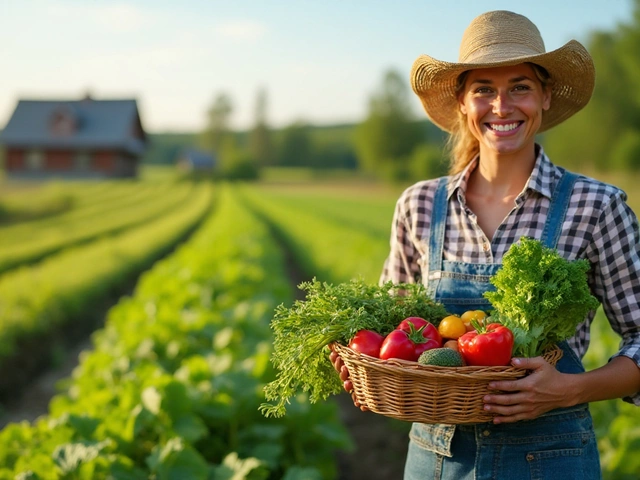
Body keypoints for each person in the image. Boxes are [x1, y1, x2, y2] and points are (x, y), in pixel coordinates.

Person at [330, 10, 640, 480]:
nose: (502, 106)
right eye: (484, 90)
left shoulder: (595, 205)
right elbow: (391, 328)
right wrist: (365, 366)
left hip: (551, 458)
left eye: (520, 86)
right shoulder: (419, 205)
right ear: (462, 102)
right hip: (436, 460)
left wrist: (570, 389)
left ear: (545, 96)